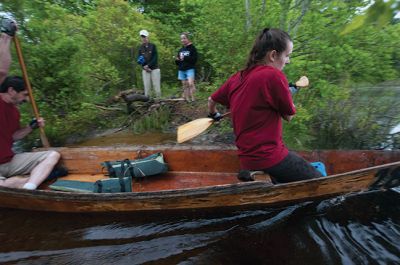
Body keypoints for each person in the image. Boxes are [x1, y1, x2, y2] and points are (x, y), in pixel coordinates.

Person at [207, 28, 322, 184]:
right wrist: (287, 94)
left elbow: (211, 100)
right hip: (269, 157)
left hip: (247, 159)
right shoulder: (273, 75)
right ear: (273, 55)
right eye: (287, 55)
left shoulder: (237, 77)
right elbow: (289, 116)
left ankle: (269, 181)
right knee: (319, 180)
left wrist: (214, 115)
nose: (288, 61)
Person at [0, 18, 61, 190]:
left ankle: (30, 188)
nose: (26, 99)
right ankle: (21, 182)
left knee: (52, 155)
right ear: (11, 91)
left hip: (8, 162)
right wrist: (6, 36)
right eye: (24, 95)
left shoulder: (15, 112)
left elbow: (13, 137)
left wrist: (31, 127)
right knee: (6, 184)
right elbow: (2, 71)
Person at [137, 29, 161, 98]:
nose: (143, 38)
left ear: (147, 37)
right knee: (147, 88)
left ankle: (159, 101)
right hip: (145, 70)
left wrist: (149, 65)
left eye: (144, 37)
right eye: (142, 37)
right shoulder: (140, 48)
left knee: (156, 87)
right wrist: (144, 66)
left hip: (154, 69)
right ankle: (147, 103)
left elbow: (155, 58)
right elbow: (140, 59)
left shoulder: (153, 46)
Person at [175, 32, 197, 102]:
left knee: (190, 83)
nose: (182, 40)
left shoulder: (192, 48)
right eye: (181, 39)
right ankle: (188, 100)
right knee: (184, 85)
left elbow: (194, 59)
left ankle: (193, 99)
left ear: (188, 39)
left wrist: (185, 58)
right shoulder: (180, 50)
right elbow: (177, 62)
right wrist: (177, 60)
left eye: (184, 38)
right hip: (181, 69)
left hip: (189, 68)